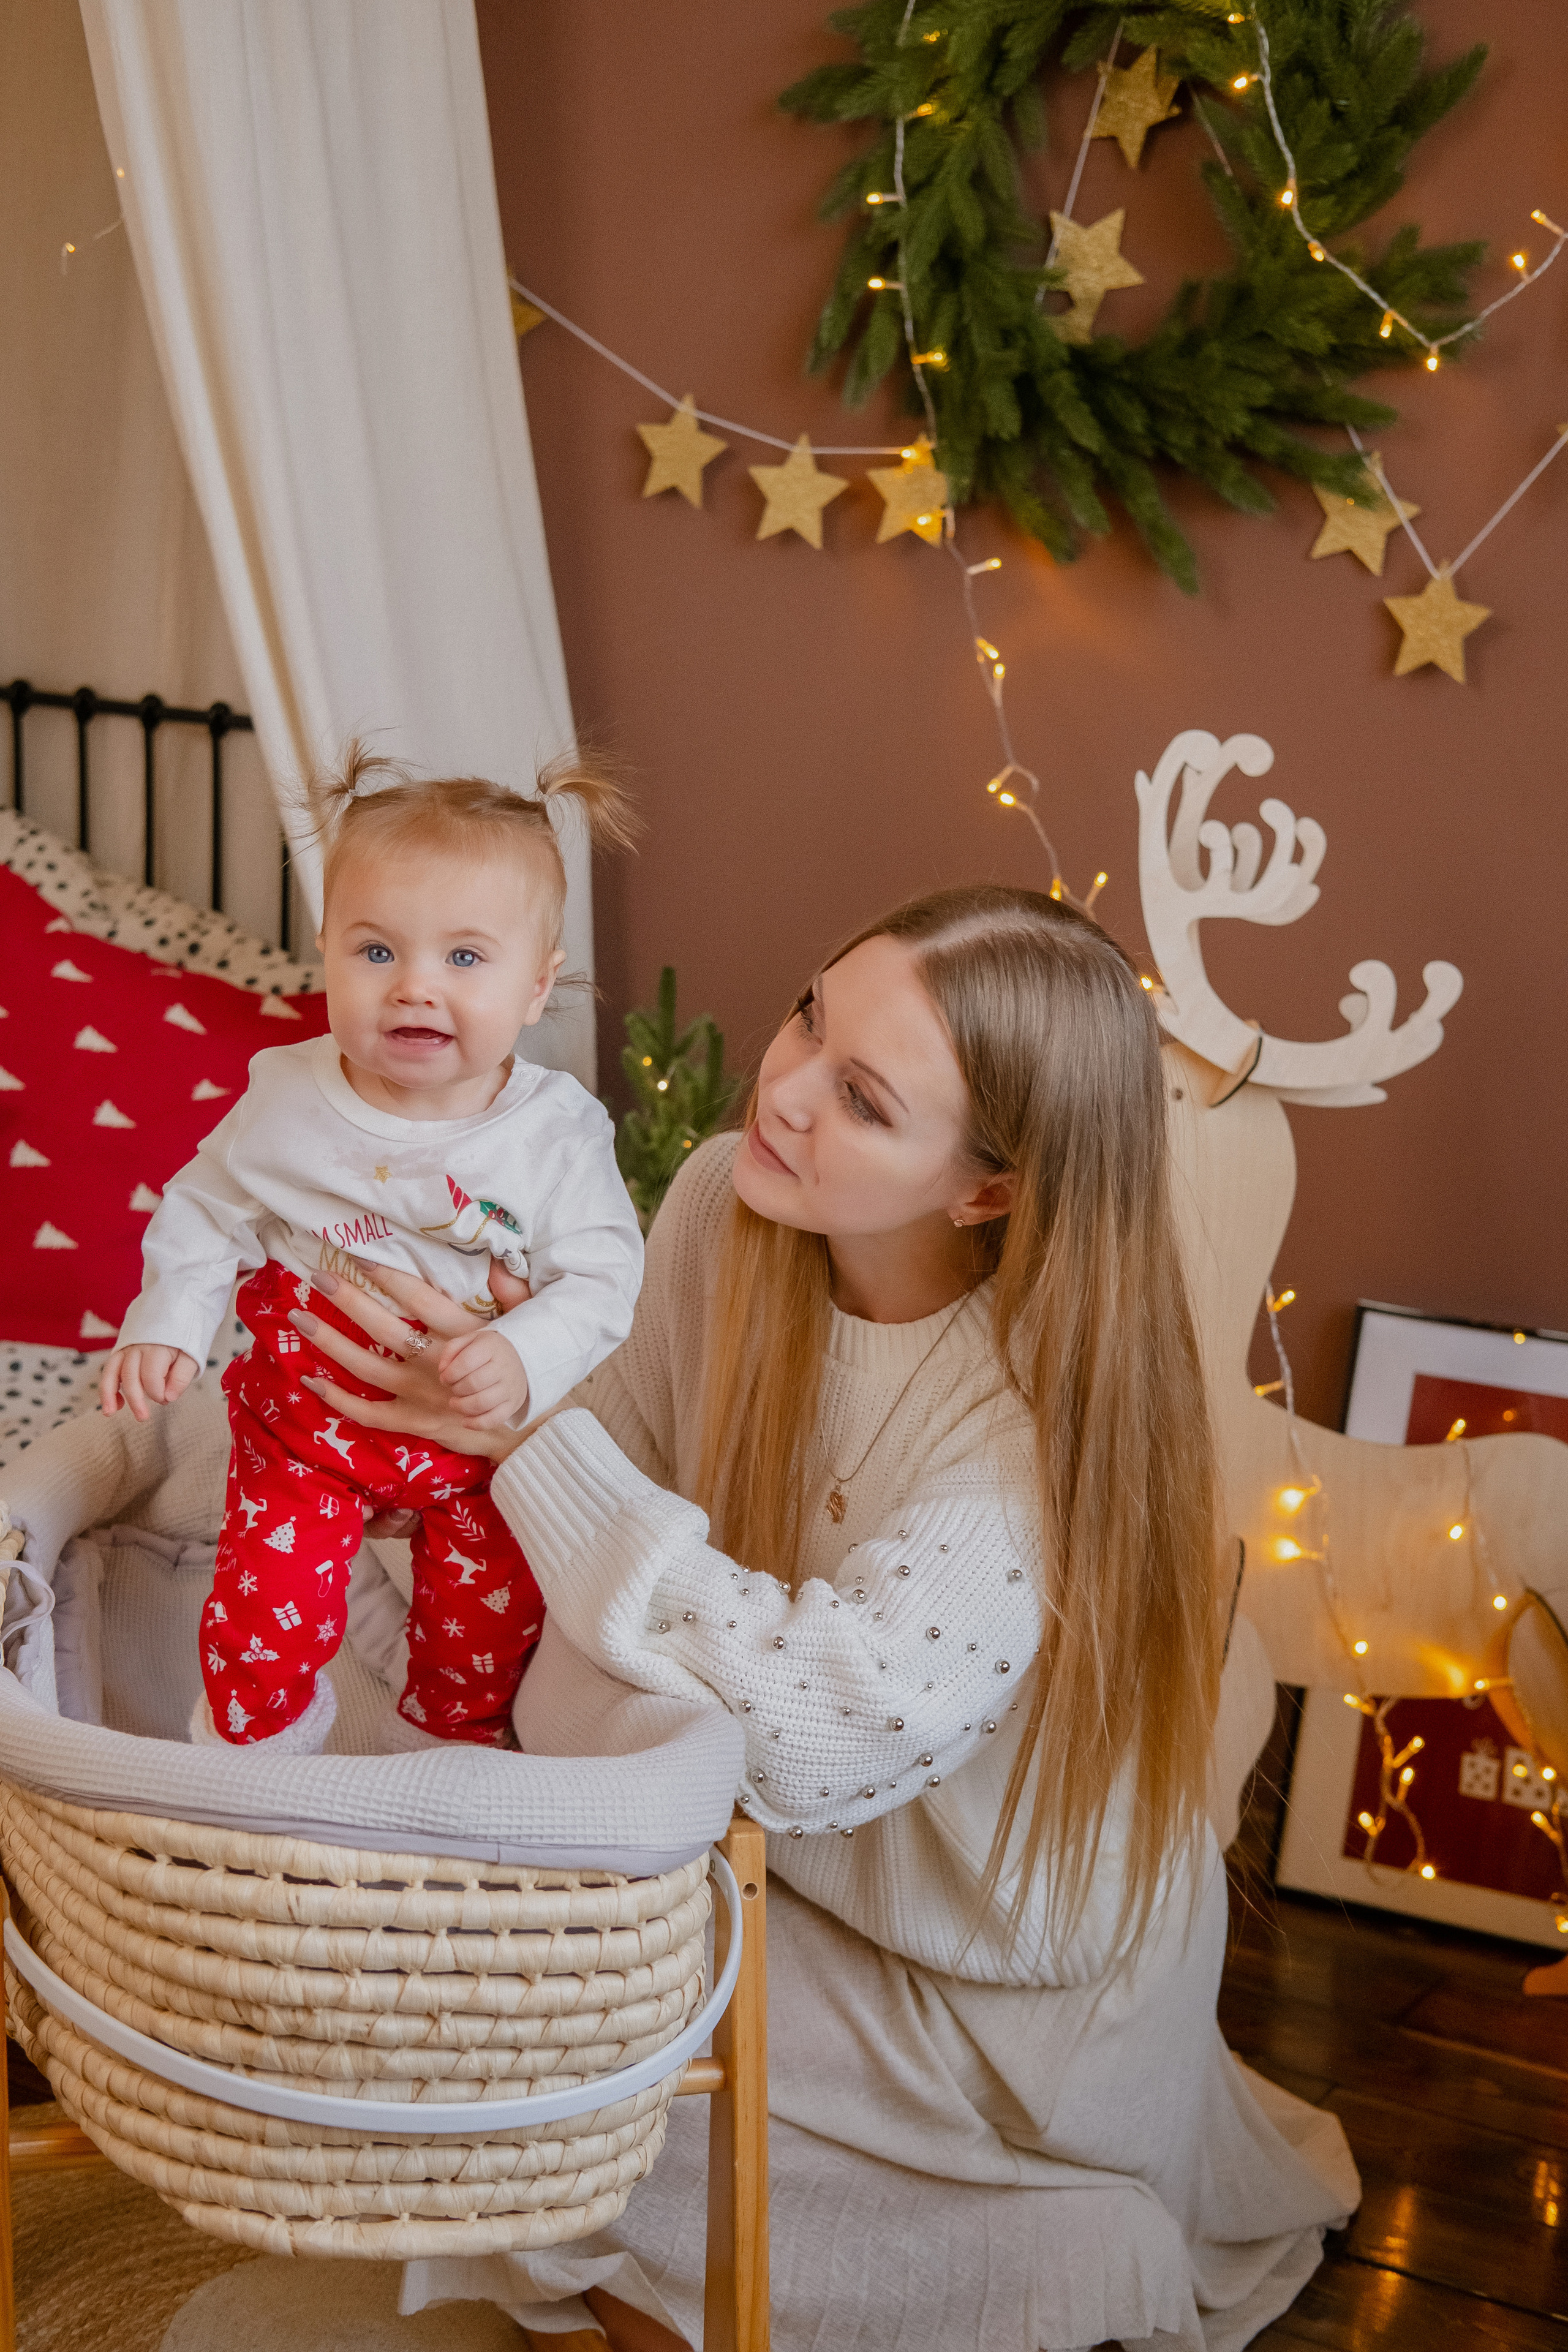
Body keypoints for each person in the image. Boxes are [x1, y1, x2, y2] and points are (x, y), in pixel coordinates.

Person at [296, 884, 1358, 2351]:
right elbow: (610, 1445)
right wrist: (478, 1390)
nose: (784, 1090)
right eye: (809, 1014)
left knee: (534, 2075)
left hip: (984, 1992)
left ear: (981, 1187)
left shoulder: (1022, 1441)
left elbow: (803, 1733)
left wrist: (521, 1444)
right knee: (473, 2010)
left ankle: (998, 2243)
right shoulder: (725, 1211)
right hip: (768, 1873)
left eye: (860, 1100)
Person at [97, 748, 643, 1754]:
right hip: (307, 1424)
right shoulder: (288, 1098)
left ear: (538, 986)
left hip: (473, 1437)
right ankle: (248, 1762)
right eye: (377, 952)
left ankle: (458, 1745)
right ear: (327, 950)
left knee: (488, 1617)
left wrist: (523, 1355)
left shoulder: (555, 1133)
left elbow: (607, 1277)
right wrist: (169, 1321)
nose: (415, 991)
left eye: (465, 959)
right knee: (267, 1609)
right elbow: (206, 1208)